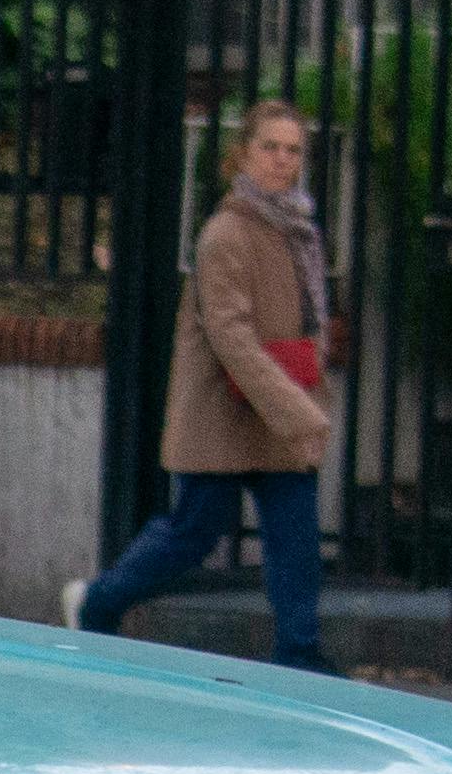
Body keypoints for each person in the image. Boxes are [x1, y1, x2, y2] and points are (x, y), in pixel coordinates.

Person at [79, 101, 339, 664]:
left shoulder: (299, 230)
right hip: (222, 413)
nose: (282, 160)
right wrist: (299, 411)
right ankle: (100, 603)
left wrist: (306, 387)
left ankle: (299, 652)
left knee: (295, 537)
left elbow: (308, 320)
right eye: (269, 147)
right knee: (192, 535)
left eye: (293, 150)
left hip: (273, 409)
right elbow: (231, 338)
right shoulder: (225, 234)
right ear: (242, 155)